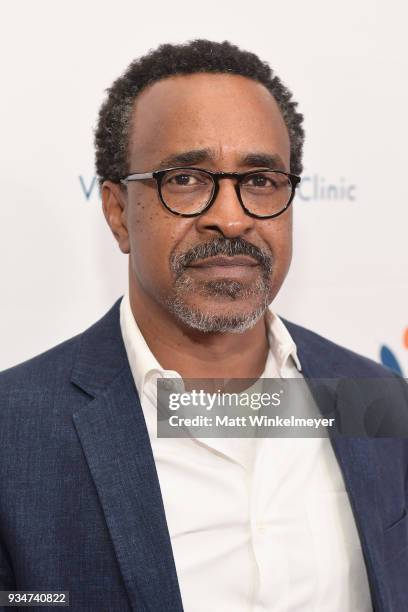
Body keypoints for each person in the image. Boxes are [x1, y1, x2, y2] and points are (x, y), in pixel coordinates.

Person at [0, 39, 407, 612]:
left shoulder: (382, 402)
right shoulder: (13, 433)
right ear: (118, 212)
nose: (231, 216)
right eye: (186, 179)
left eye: (261, 180)